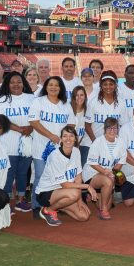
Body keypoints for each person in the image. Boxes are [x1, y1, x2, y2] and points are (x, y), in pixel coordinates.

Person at [28, 76, 74, 218]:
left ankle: (53, 206)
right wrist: (51, 135)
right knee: (40, 176)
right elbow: (34, 122)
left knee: (58, 178)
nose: (53, 87)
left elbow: (71, 124)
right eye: (50, 85)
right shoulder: (38, 102)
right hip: (41, 146)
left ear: (61, 88)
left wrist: (64, 138)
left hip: (59, 149)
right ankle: (36, 206)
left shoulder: (65, 105)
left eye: (57, 85)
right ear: (45, 87)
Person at [35, 126, 93, 226]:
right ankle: (47, 210)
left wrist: (79, 201)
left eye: (71, 136)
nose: (68, 139)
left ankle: (61, 205)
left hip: (64, 192)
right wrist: (87, 186)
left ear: (75, 138)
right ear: (61, 139)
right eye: (65, 136)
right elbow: (65, 185)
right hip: (46, 192)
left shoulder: (76, 151)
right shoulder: (55, 156)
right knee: (74, 194)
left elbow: (78, 176)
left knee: (84, 216)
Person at [0, 72, 35, 213]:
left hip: (28, 142)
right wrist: (17, 128)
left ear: (24, 83)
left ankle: (21, 200)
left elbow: (36, 116)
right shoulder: (2, 100)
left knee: (23, 172)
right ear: (7, 84)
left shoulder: (31, 98)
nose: (16, 85)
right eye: (12, 82)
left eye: (19, 82)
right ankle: (5, 203)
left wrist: (31, 127)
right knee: (9, 173)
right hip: (8, 142)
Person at [84, 117, 127, 220]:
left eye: (114, 128)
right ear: (105, 129)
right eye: (109, 128)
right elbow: (92, 163)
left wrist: (114, 173)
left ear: (118, 129)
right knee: (108, 181)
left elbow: (120, 161)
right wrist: (105, 172)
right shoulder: (98, 142)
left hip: (108, 175)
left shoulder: (121, 142)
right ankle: (103, 209)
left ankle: (95, 195)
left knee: (109, 201)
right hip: (92, 174)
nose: (112, 131)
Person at [86, 70, 125, 141]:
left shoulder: (121, 103)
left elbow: (123, 125)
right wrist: (95, 141)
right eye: (105, 84)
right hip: (95, 141)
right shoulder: (93, 102)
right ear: (101, 86)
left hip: (114, 142)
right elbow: (87, 125)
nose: (108, 87)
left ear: (115, 85)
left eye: (111, 84)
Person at [69, 86, 89, 162]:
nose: (79, 97)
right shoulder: (68, 109)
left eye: (81, 95)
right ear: (73, 97)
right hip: (68, 144)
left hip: (82, 144)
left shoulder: (88, 110)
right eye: (76, 95)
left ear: (85, 96)